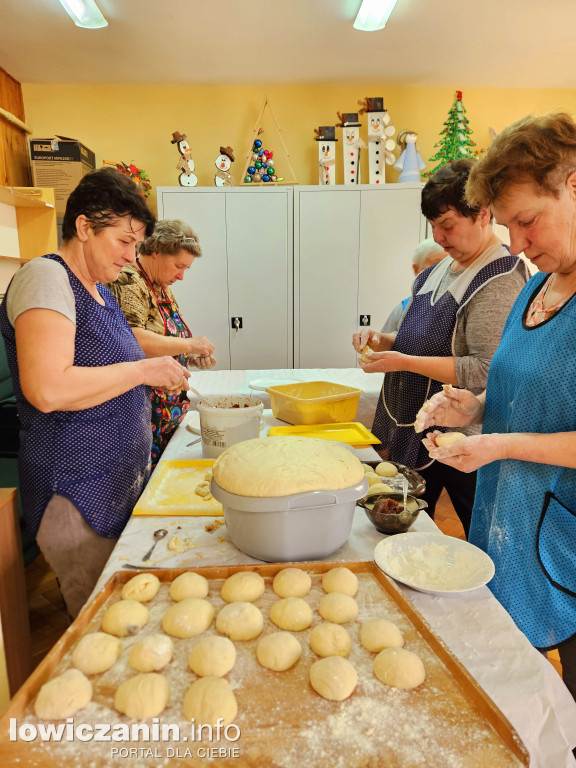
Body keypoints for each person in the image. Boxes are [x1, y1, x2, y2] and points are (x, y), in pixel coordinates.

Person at [416, 112, 576, 702]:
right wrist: (474, 408)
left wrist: (502, 445)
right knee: (515, 687)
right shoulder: (535, 289)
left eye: (528, 221)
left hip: (565, 540)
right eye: (508, 227)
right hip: (505, 519)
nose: (518, 244)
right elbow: (519, 390)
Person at [0, 168, 189, 618]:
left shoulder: (97, 291)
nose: (131, 255)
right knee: (104, 624)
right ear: (84, 227)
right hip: (75, 492)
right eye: (124, 241)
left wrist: (161, 364)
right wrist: (144, 371)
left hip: (112, 484)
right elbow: (47, 388)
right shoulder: (46, 277)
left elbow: (112, 360)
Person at [352, 158, 529, 537]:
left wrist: (404, 361)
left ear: (483, 214)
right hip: (414, 421)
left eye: (448, 225)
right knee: (405, 527)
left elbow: (484, 369)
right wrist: (383, 341)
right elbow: (421, 338)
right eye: (434, 226)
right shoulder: (439, 270)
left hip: (458, 436)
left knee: (467, 525)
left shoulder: (499, 278)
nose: (440, 237)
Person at [107, 219, 215, 467]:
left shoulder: (160, 285)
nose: (181, 276)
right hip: (143, 405)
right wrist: (188, 345)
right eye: (178, 266)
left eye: (186, 269)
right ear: (155, 251)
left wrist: (189, 356)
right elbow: (133, 339)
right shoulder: (129, 280)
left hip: (167, 405)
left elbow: (166, 338)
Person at [380, 238, 447, 333]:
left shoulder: (458, 305)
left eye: (448, 266)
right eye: (436, 264)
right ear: (416, 269)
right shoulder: (403, 309)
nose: (444, 271)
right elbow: (380, 344)